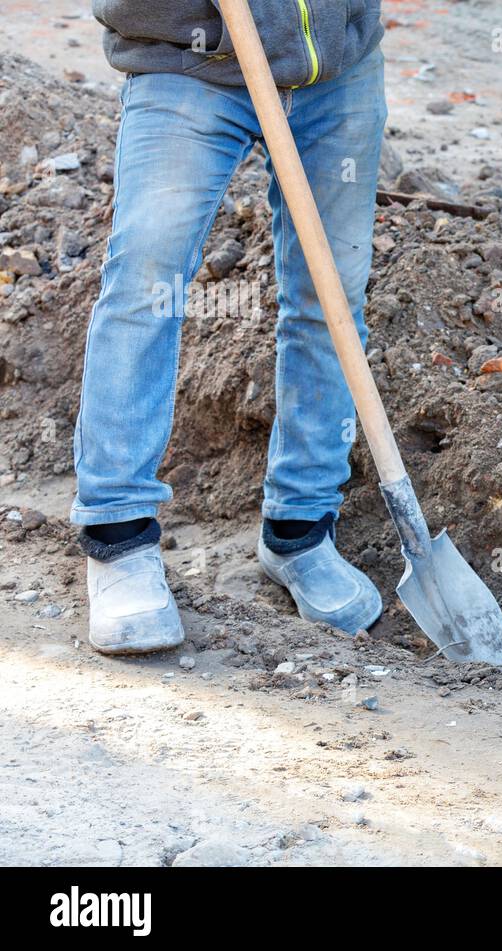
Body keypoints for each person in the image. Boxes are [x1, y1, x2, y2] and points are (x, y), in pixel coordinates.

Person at [74, 1, 389, 654]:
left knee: (329, 297)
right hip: (188, 63)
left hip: (335, 67)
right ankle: (118, 538)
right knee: (146, 284)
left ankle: (301, 529)